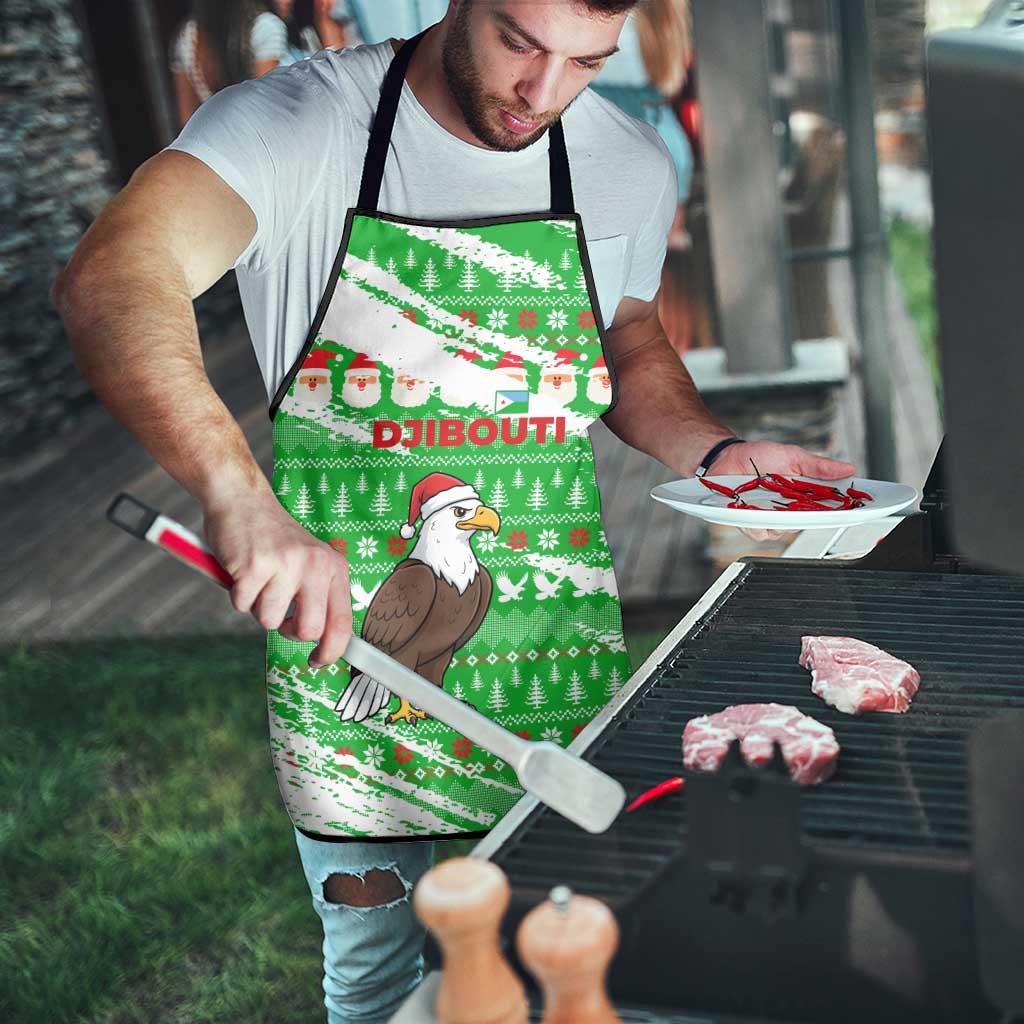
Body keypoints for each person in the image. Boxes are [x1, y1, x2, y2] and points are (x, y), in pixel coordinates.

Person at [53, 2, 856, 1021]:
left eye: (586, 62)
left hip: (554, 658)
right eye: (521, 42)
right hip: (356, 668)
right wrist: (237, 495)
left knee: (570, 958)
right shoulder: (298, 125)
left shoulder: (624, 161)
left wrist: (717, 449)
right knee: (380, 977)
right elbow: (113, 275)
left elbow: (630, 337)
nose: (543, 94)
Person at [170, 0, 289, 126]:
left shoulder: (188, 37)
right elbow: (266, 107)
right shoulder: (266, 27)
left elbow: (188, 121)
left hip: (215, 139)